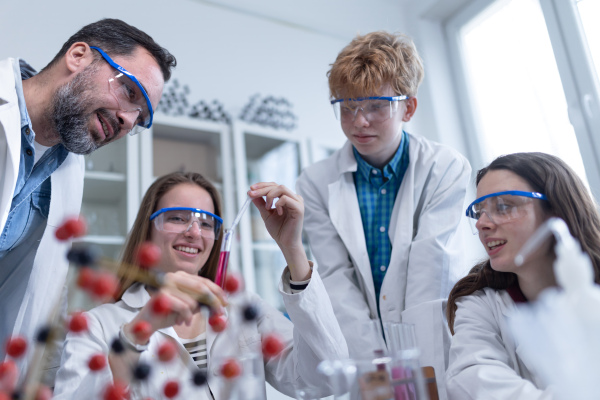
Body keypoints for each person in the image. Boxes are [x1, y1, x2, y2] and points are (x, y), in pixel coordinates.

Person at [53, 172, 348, 399]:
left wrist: (293, 248)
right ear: (148, 230)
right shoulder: (99, 325)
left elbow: (327, 376)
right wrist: (139, 332)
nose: (194, 231)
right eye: (178, 218)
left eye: (207, 223)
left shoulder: (244, 307)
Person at [0, 18, 176, 382]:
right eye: (130, 92)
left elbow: (44, 297)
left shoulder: (67, 171)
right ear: (79, 56)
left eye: (140, 118)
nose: (128, 122)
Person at [296, 31, 471, 396]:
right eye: (346, 106)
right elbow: (337, 281)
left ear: (408, 107)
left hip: (434, 343)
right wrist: (376, 374)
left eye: (375, 105)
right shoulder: (315, 181)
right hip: (364, 353)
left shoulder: (445, 167)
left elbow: (429, 272)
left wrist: (422, 379)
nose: (359, 121)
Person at [445, 152, 600, 399]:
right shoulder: (481, 305)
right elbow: (472, 378)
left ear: (557, 211)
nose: (481, 223)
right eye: (480, 210)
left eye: (503, 206)